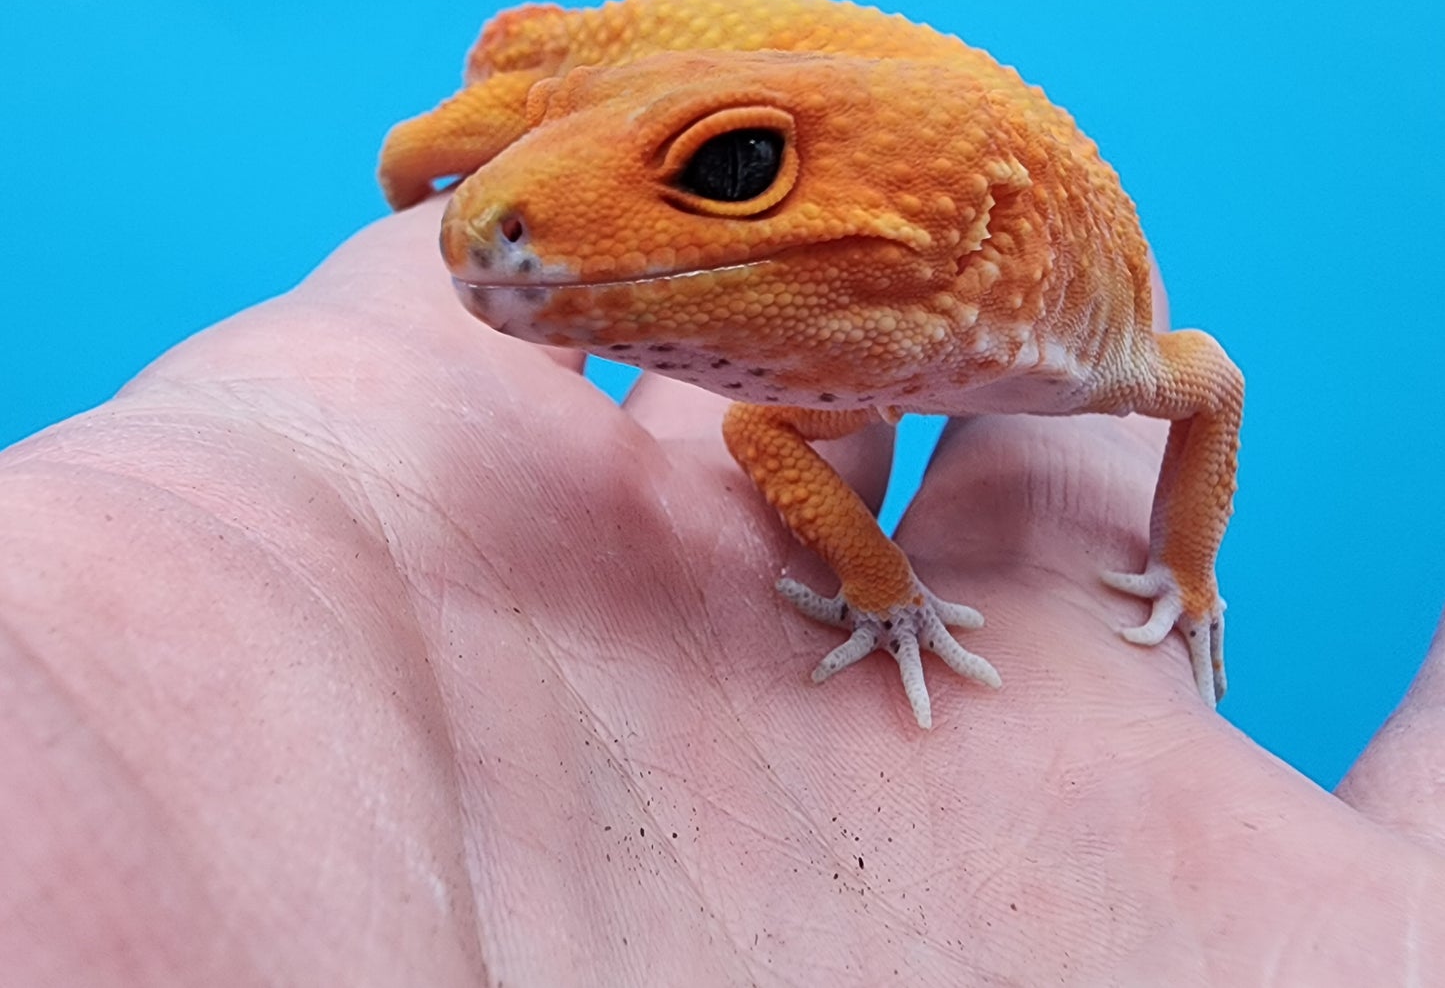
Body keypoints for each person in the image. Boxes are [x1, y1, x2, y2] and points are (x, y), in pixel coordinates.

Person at [2, 197, 1440, 986]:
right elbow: (758, 424)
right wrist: (884, 589)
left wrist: (1187, 568)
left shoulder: (1120, 359)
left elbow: (1205, 380)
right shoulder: (810, 359)